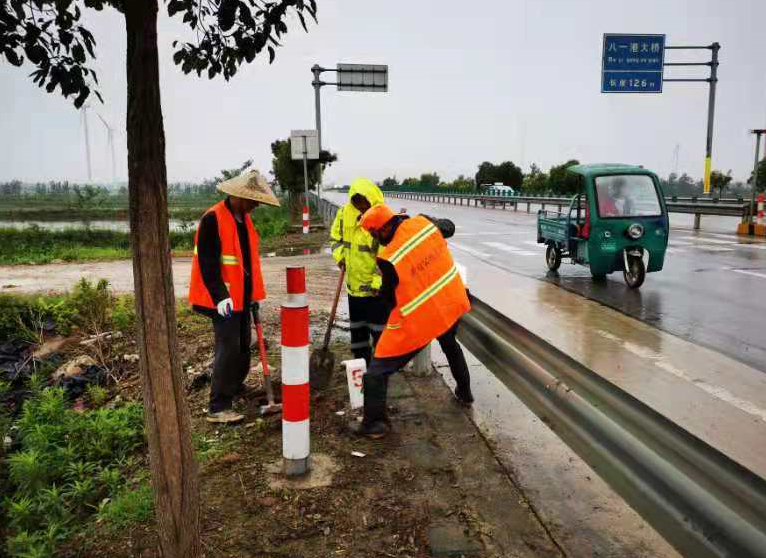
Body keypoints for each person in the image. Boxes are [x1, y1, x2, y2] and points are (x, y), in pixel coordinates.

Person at [350, 204, 473, 439]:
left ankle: (375, 424)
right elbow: (449, 227)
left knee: (377, 370)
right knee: (450, 345)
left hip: (422, 317)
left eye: (374, 234)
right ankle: (465, 393)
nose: (376, 239)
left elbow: (389, 299)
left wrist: (380, 296)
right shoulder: (424, 223)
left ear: (384, 229)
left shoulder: (389, 258)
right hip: (450, 302)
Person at [188, 169, 280, 424]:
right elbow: (207, 263)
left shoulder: (244, 219)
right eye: (253, 201)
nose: (256, 206)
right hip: (220, 299)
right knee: (228, 349)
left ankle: (235, 387)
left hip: (241, 298)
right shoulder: (213, 219)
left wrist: (251, 295)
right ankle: (218, 406)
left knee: (243, 346)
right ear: (238, 196)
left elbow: (245, 263)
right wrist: (220, 296)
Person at [330, 177, 388, 364]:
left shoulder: (382, 218)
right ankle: (360, 365)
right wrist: (340, 257)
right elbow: (335, 239)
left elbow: (387, 255)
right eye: (357, 203)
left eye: (364, 203)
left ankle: (379, 369)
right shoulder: (344, 214)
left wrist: (377, 282)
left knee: (379, 333)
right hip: (353, 288)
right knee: (358, 332)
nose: (361, 207)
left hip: (375, 291)